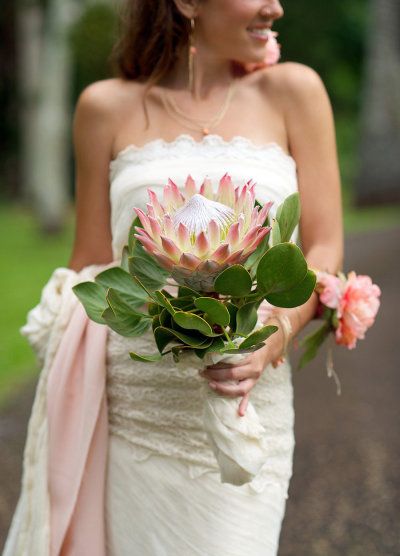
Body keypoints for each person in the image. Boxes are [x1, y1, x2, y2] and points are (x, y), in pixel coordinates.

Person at [5, 1, 343, 555]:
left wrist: (275, 334)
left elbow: (324, 249)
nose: (275, 5)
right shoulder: (103, 107)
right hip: (135, 415)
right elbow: (92, 260)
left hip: (245, 405)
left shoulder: (295, 93)